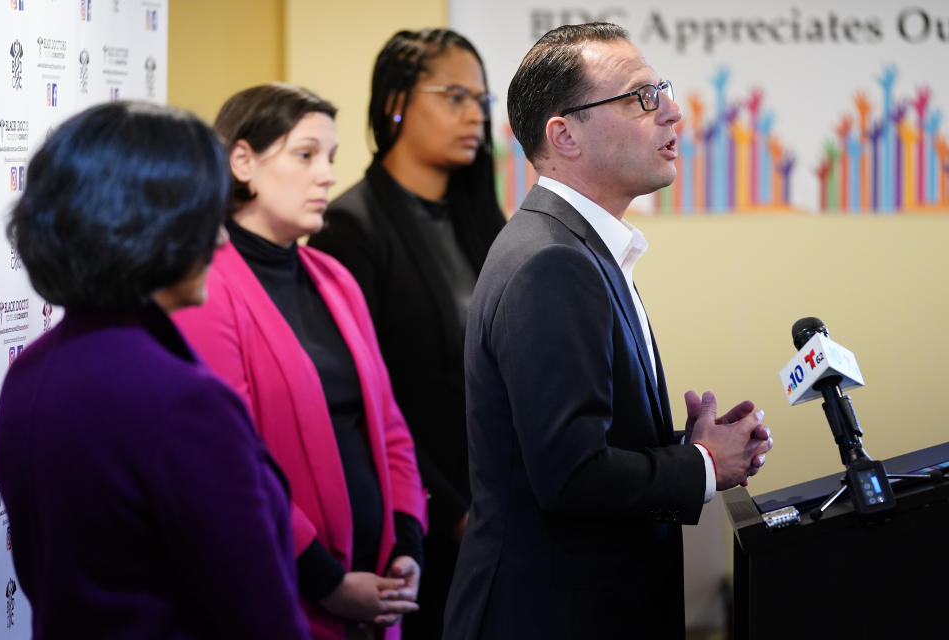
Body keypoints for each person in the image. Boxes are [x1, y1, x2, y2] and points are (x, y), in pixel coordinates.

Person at [443, 23, 774, 639]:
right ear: (564, 135)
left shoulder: (575, 246)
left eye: (663, 90)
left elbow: (574, 440)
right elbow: (571, 474)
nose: (672, 111)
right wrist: (701, 465)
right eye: (640, 97)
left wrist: (684, 447)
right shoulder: (553, 261)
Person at [0, 101, 310, 639]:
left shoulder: (32, 371)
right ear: (149, 226)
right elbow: (261, 616)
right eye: (204, 217)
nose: (220, 239)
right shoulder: (182, 402)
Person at [172, 83, 427, 640]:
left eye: (332, 158)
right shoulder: (206, 286)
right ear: (242, 161)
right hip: (286, 598)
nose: (328, 175)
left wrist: (408, 545)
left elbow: (389, 428)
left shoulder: (334, 278)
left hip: (377, 593)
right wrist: (327, 581)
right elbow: (230, 463)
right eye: (306, 154)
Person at [308, 28, 505, 639]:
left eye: (482, 101)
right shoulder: (349, 229)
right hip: (424, 528)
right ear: (396, 102)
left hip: (505, 511)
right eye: (454, 96)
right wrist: (451, 515)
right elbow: (370, 402)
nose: (474, 114)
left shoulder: (485, 221)